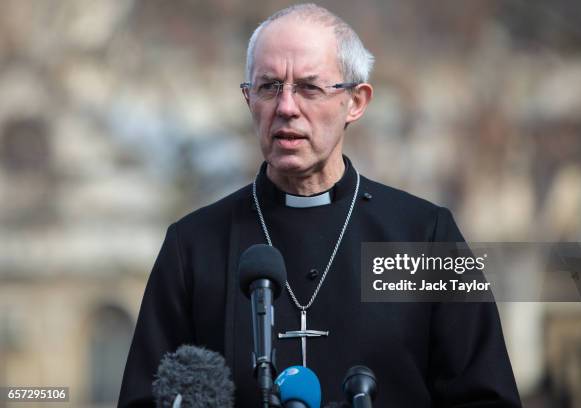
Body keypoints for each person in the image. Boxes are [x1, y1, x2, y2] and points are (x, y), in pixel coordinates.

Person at [119, 4, 521, 407]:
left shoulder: (425, 237)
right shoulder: (192, 247)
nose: (287, 107)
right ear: (248, 99)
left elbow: (486, 398)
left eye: (310, 87)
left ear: (356, 101)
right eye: (269, 86)